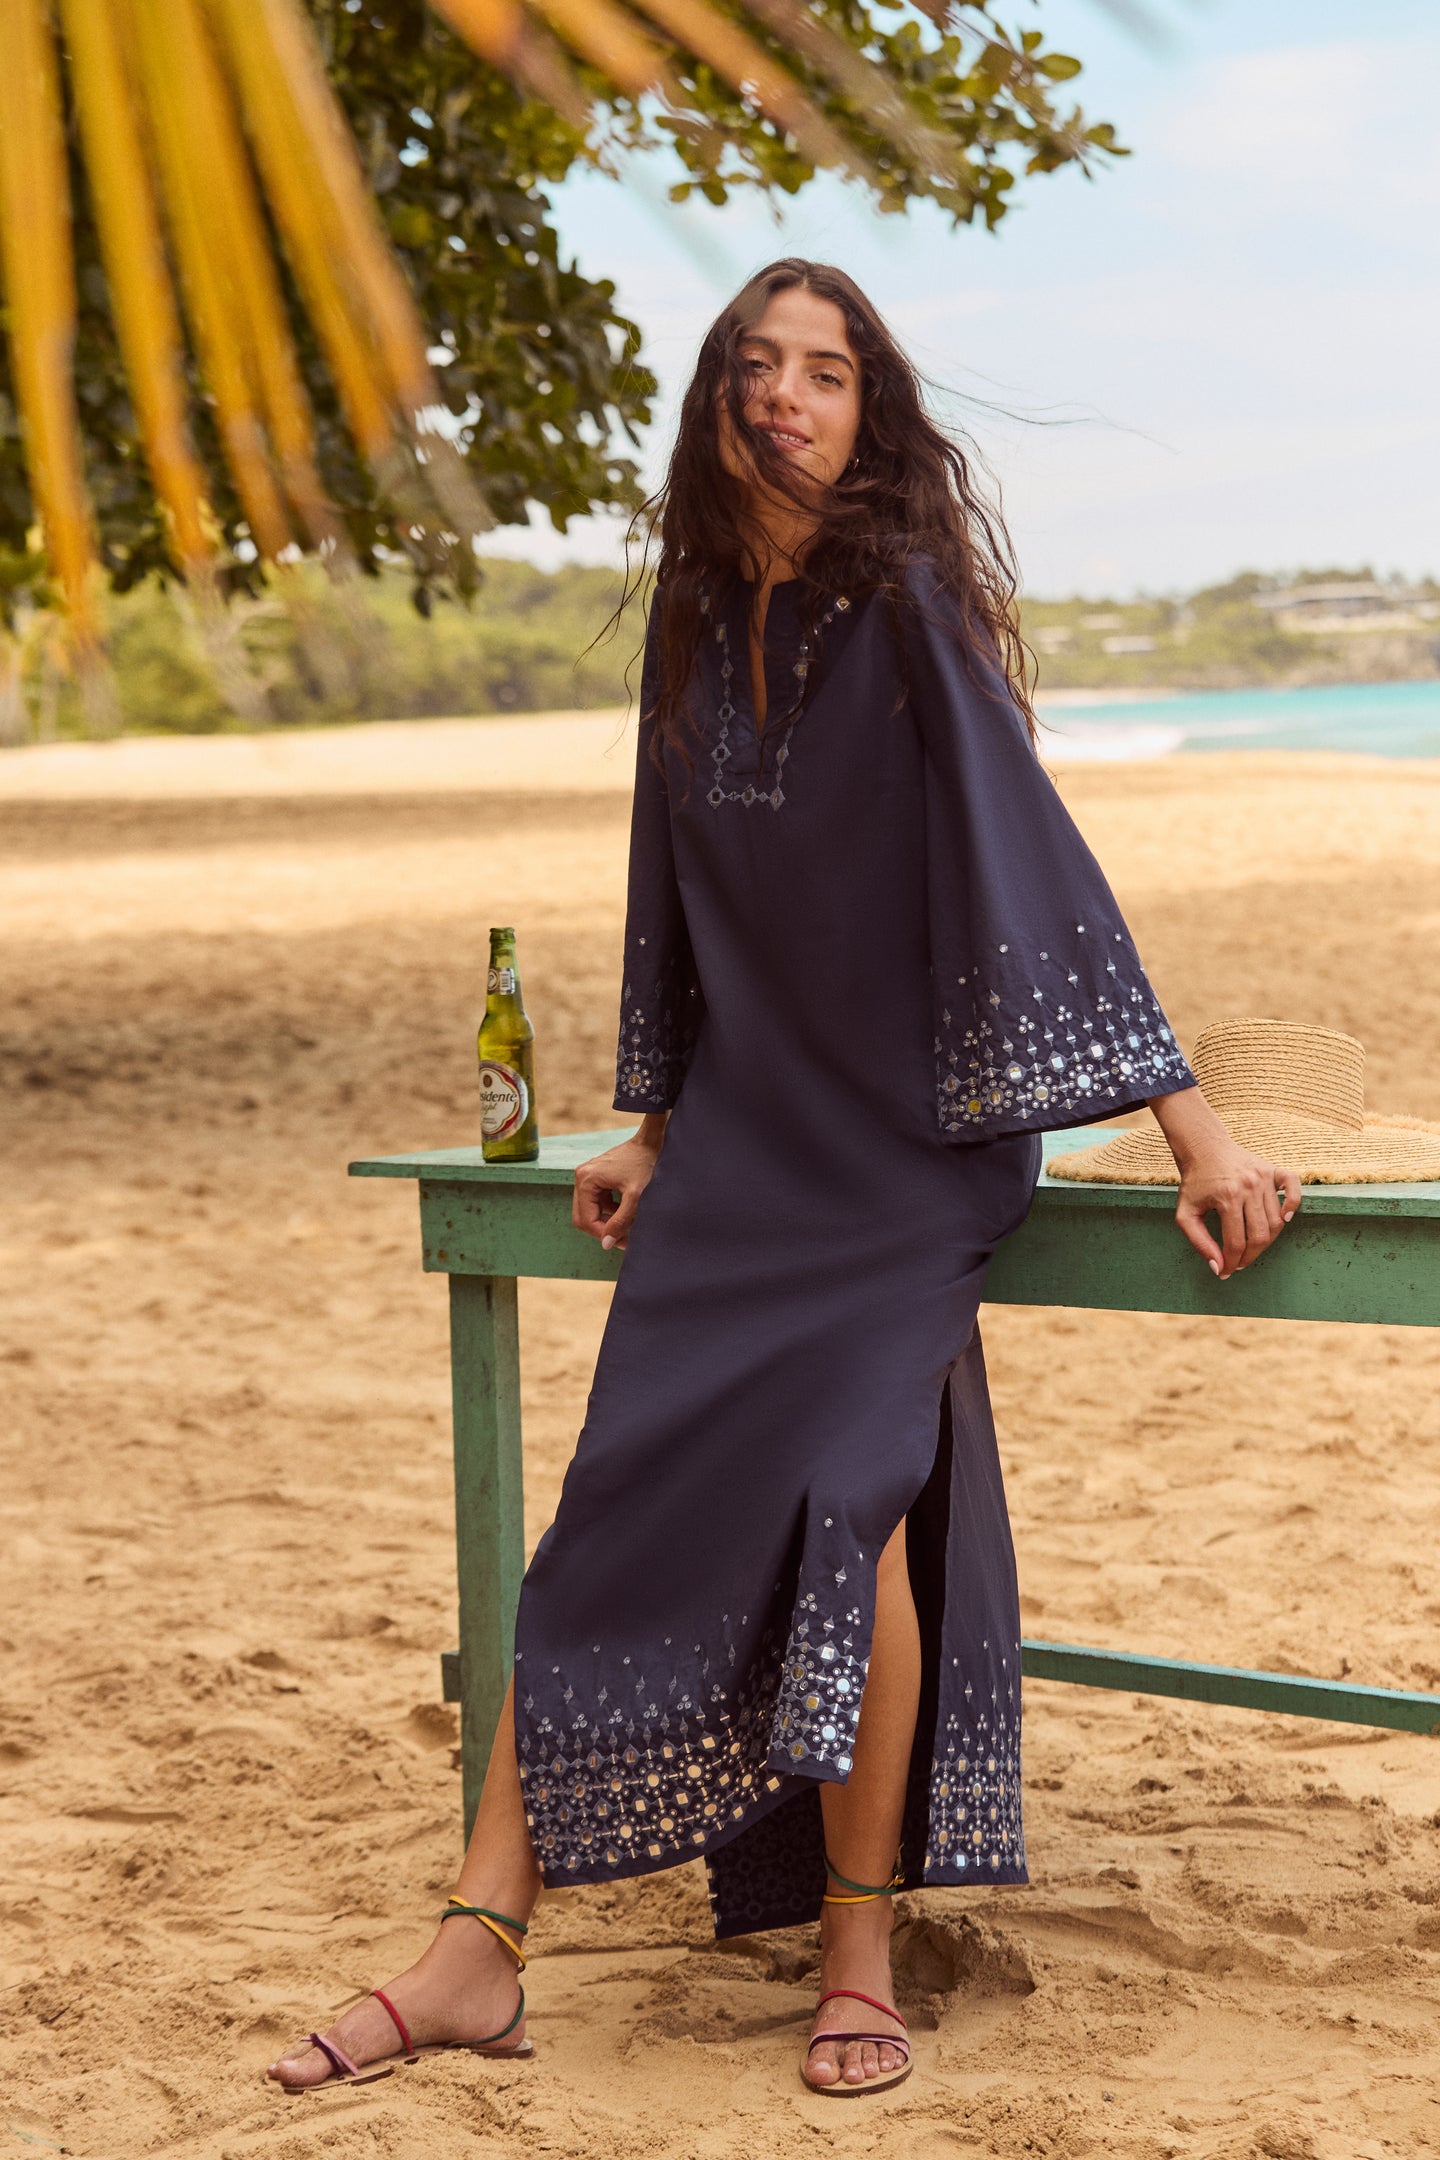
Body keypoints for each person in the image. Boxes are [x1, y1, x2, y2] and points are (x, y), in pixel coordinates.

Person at [268, 260, 1299, 2099]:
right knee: (609, 1512)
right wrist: (653, 1117)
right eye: (762, 367)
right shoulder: (684, 626)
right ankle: (474, 1949)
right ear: (718, 402)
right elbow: (667, 887)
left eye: (830, 373)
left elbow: (1036, 862)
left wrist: (1190, 1128)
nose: (795, 400)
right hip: (744, 1153)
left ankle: (857, 1947)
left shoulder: (902, 604)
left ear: (867, 409)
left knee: (850, 1500)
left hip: (905, 1156)